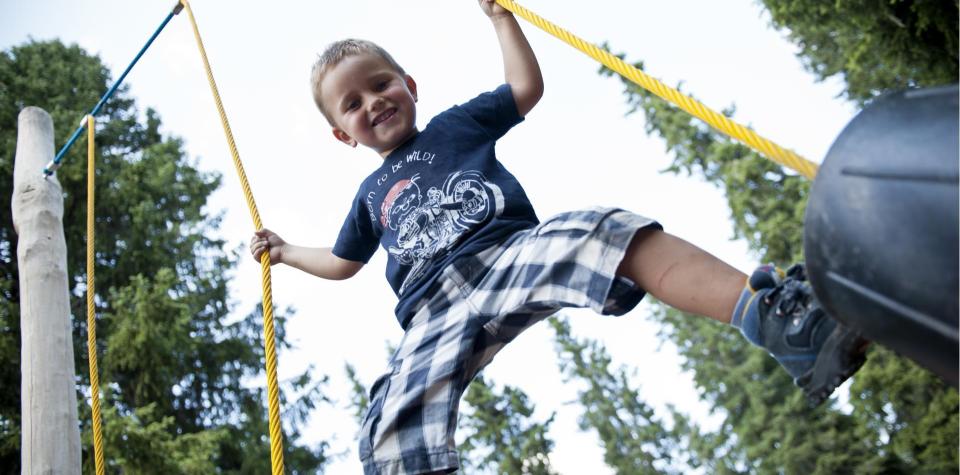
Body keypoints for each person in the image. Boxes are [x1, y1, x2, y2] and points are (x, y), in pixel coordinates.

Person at [250, 1, 867, 473]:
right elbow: (340, 261)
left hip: (506, 256)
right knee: (390, 422)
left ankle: (773, 318)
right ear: (342, 135)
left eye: (381, 84)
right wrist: (283, 252)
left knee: (601, 232)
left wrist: (500, 18)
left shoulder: (454, 125)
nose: (373, 102)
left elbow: (524, 90)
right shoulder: (366, 198)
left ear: (410, 85)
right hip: (430, 311)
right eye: (352, 104)